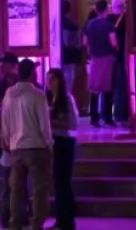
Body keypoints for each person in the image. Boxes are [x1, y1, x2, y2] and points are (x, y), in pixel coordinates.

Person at [1, 59, 53, 230]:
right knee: (39, 189)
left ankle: (15, 223)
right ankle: (36, 224)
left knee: (16, 190)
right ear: (32, 73)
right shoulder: (38, 95)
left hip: (16, 147)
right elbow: (44, 125)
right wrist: (49, 145)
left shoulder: (9, 94)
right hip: (36, 147)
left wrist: (7, 140)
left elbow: (5, 121)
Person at [0, 52, 30, 230]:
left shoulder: (23, 85)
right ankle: (9, 216)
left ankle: (19, 215)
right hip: (8, 138)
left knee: (19, 181)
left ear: (14, 66)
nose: (1, 67)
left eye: (5, 64)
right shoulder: (1, 85)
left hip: (22, 137)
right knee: (10, 181)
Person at [46, 68, 79, 230]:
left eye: (53, 79)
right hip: (54, 142)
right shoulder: (49, 99)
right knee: (58, 182)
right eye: (48, 80)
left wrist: (51, 123)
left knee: (63, 182)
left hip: (64, 142)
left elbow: (72, 123)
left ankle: (66, 220)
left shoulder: (66, 99)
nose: (49, 83)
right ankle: (62, 219)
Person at [83, 0, 118, 127]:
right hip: (107, 59)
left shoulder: (90, 24)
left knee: (94, 89)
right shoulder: (109, 25)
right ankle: (108, 118)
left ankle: (94, 118)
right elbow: (114, 42)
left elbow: (85, 42)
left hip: (94, 59)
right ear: (106, 9)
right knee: (107, 88)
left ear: (96, 9)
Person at [109, 0, 129, 124]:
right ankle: (120, 114)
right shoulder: (123, 20)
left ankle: (114, 114)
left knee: (111, 88)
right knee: (121, 87)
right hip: (121, 57)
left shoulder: (109, 20)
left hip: (110, 58)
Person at [61, 0, 83, 91]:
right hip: (69, 57)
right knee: (69, 80)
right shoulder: (72, 25)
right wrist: (79, 60)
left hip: (57, 56)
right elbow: (77, 44)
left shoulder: (52, 22)